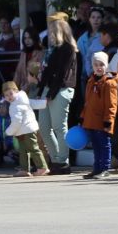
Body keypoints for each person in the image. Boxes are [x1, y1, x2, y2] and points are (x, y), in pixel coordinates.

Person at [38, 13, 79, 174]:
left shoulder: (68, 49)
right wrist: (42, 91)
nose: (50, 33)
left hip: (61, 90)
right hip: (49, 89)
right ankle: (55, 159)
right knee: (44, 127)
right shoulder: (53, 49)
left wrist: (50, 93)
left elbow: (62, 74)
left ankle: (62, 161)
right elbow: (48, 73)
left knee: (59, 127)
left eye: (52, 30)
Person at [79, 51, 118, 178]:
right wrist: (83, 116)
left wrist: (108, 120)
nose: (98, 67)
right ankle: (96, 168)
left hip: (102, 121)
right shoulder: (91, 81)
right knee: (96, 146)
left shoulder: (109, 83)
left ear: (106, 66)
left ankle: (105, 168)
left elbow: (112, 104)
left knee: (104, 144)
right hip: (91, 120)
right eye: (96, 64)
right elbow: (87, 102)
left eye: (101, 64)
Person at [2, 81, 47, 175]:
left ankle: (42, 167)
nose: (9, 97)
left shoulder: (15, 106)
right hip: (24, 130)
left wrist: (8, 132)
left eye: (11, 93)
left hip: (26, 130)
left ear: (16, 91)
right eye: (6, 95)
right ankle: (24, 169)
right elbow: (34, 103)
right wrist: (44, 103)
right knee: (23, 150)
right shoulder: (23, 100)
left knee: (33, 149)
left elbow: (16, 122)